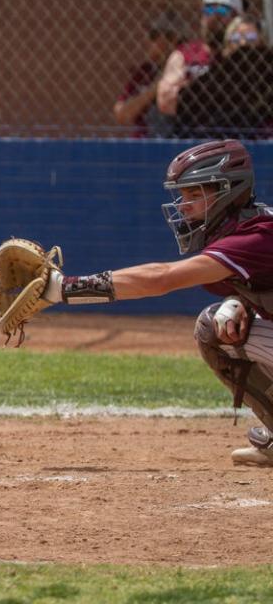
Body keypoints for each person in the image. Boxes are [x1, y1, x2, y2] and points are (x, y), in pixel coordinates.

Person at [31, 140, 273, 465]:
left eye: (194, 195)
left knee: (209, 327)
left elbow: (161, 278)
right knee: (223, 320)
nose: (183, 206)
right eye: (182, 196)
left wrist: (62, 289)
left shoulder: (258, 235)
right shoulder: (247, 230)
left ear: (228, 191)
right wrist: (240, 301)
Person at [156, 0, 243, 128]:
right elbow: (166, 101)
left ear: (236, 18)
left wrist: (189, 89)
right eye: (208, 10)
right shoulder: (185, 53)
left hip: (239, 130)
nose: (214, 17)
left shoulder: (245, 56)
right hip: (193, 130)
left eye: (222, 11)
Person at [113, 12, 184, 138]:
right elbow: (121, 114)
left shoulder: (187, 71)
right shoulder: (145, 72)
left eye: (154, 36)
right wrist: (156, 86)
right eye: (153, 36)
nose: (151, 42)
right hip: (143, 141)